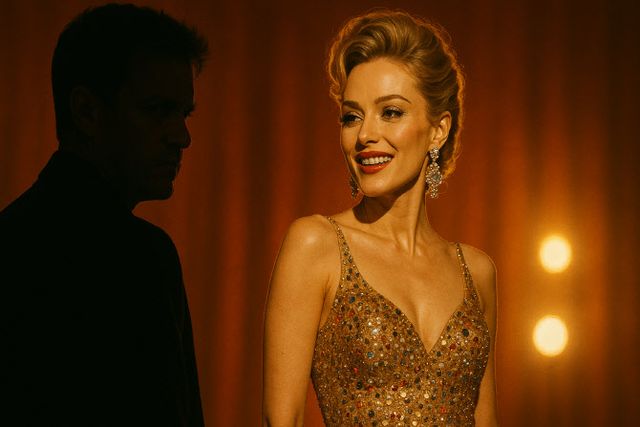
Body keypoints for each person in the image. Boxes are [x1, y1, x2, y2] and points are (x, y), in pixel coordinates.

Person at [263, 10, 498, 427]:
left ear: (438, 130)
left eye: (390, 112)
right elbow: (282, 419)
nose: (365, 134)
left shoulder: (476, 272)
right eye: (351, 116)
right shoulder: (317, 245)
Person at [0, 4, 208, 426]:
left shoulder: (12, 236)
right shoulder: (143, 257)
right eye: (158, 110)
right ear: (87, 111)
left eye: (183, 113)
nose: (181, 136)